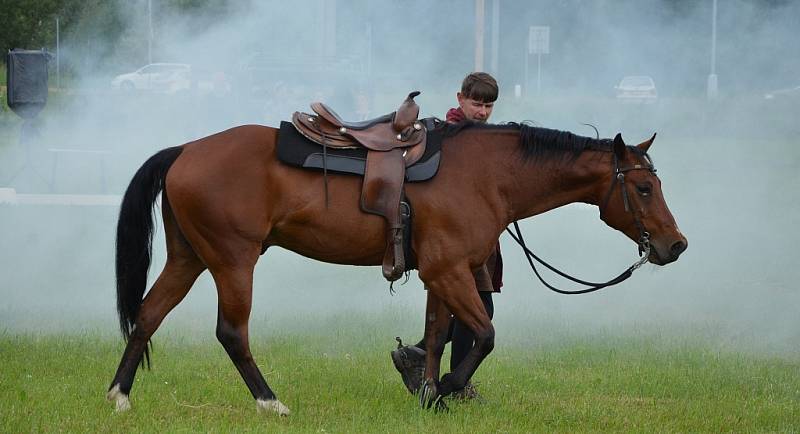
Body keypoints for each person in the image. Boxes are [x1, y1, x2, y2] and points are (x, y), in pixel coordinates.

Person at [391, 72, 503, 400]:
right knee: (478, 311)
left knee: (478, 311)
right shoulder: (448, 135)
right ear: (460, 99)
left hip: (477, 234)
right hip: (454, 235)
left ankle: (419, 355)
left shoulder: (482, 136)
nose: (482, 111)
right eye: (476, 103)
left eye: (488, 105)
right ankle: (455, 383)